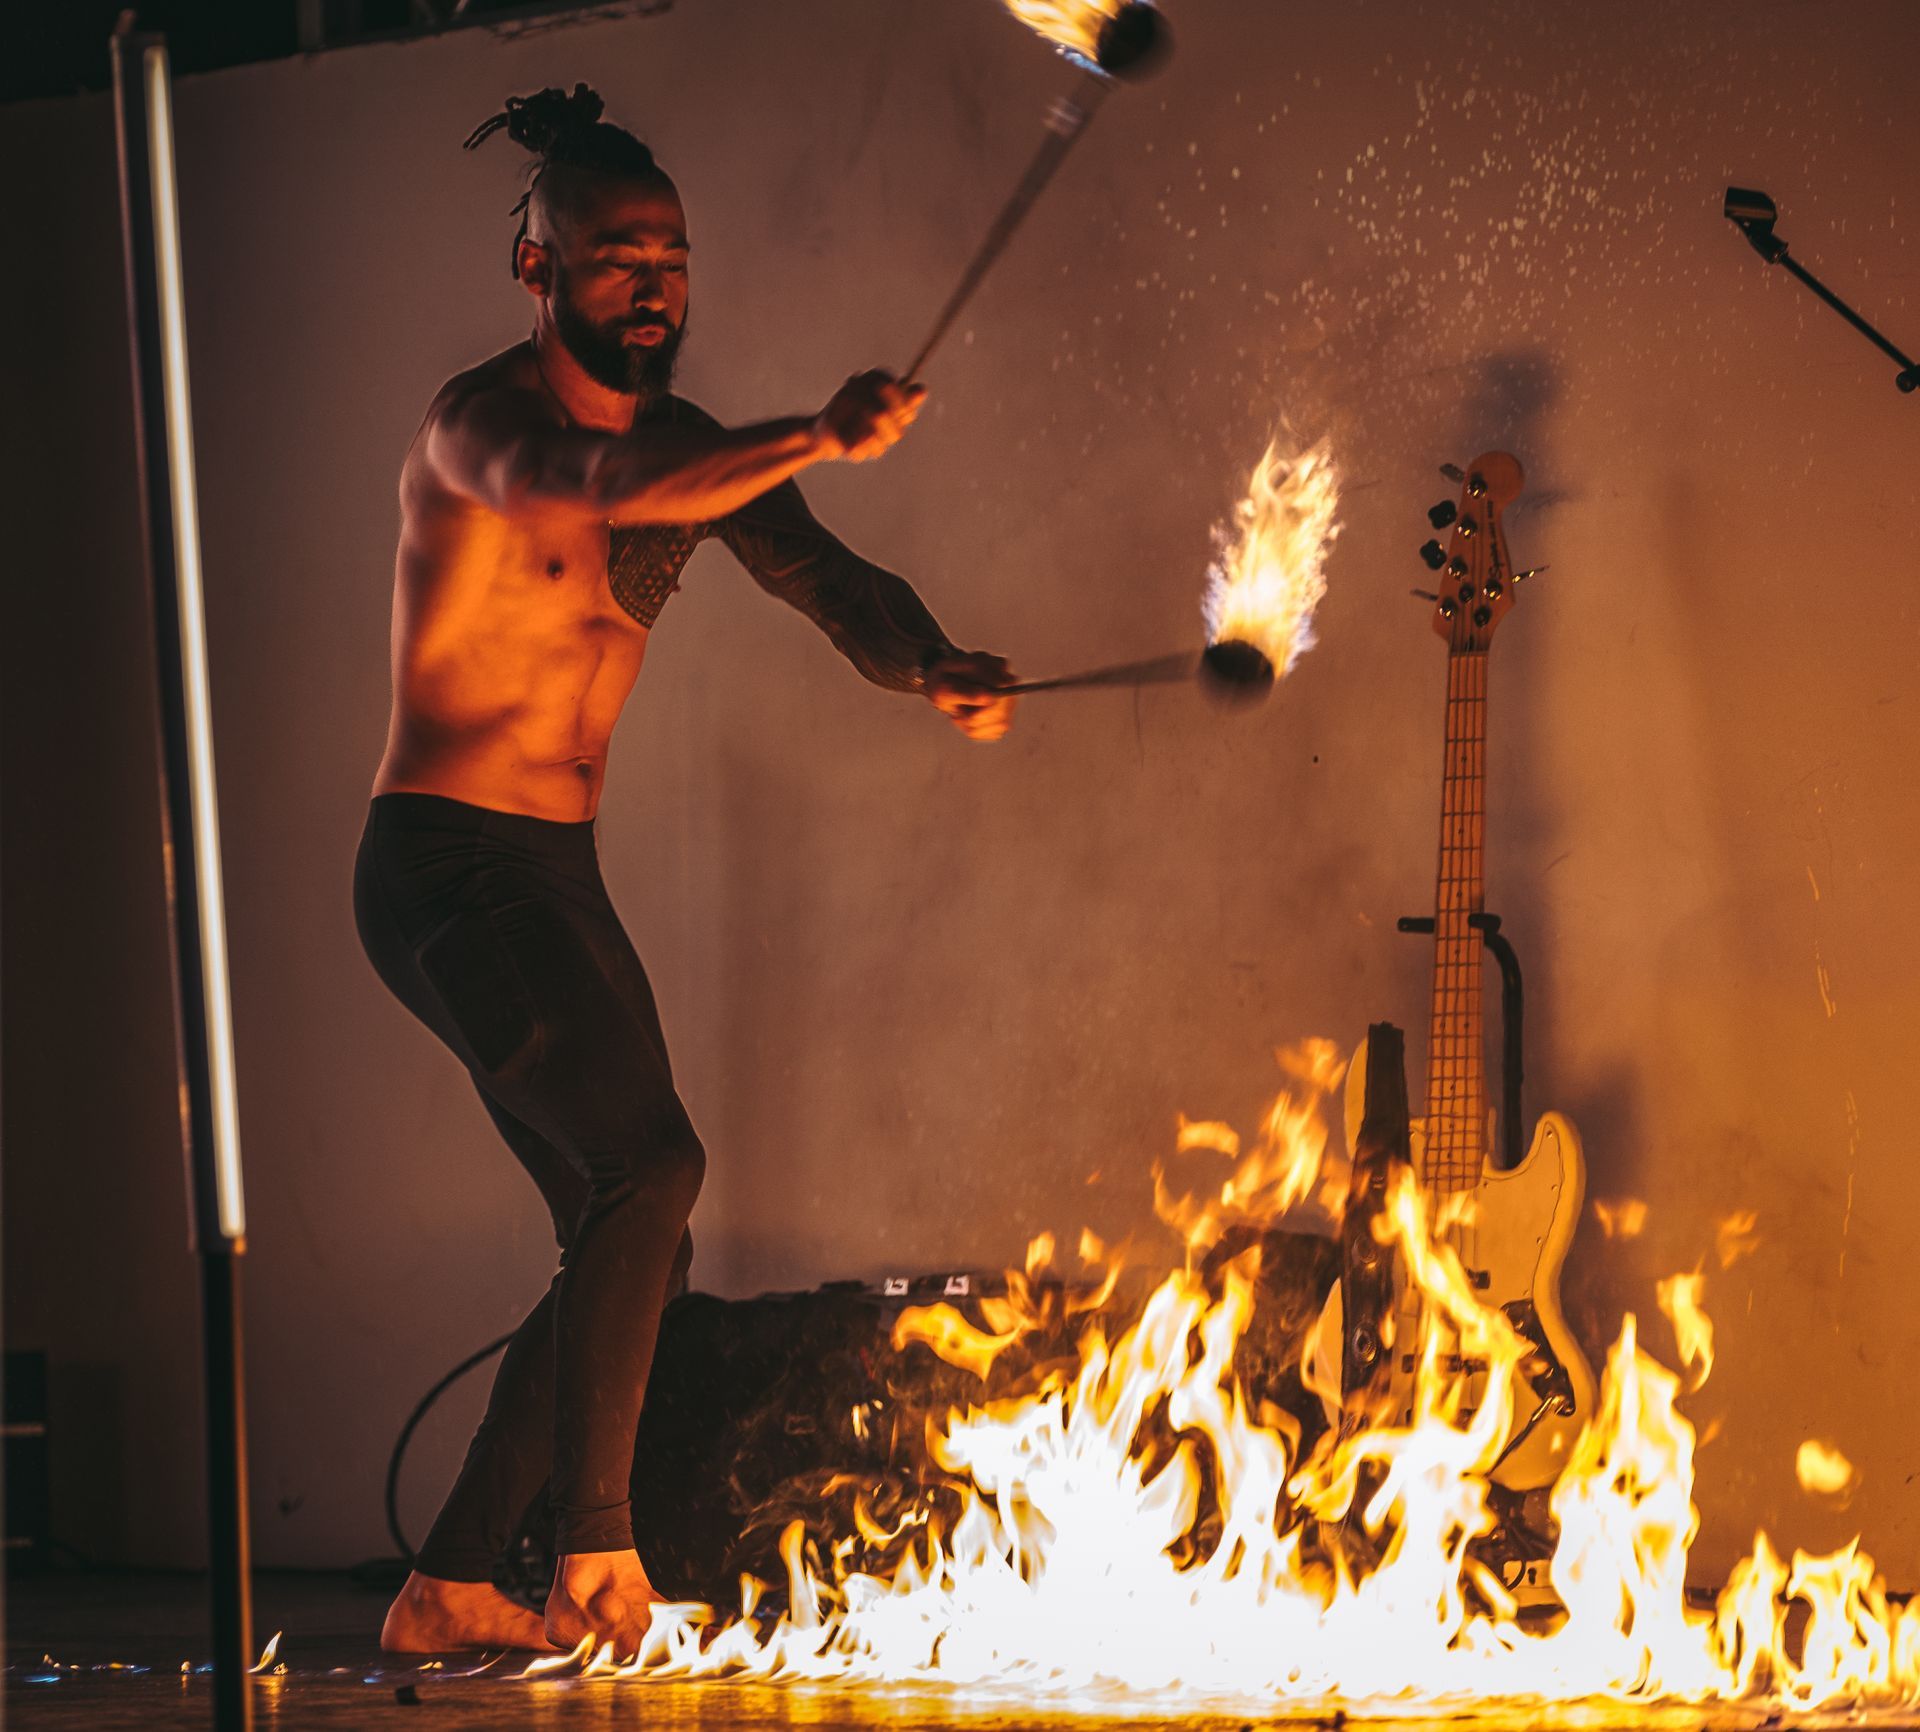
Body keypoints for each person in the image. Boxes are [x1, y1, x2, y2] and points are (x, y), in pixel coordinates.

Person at [354, 83, 1017, 1656]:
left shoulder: (692, 454)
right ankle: (595, 1559)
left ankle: (451, 1582)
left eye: (672, 255)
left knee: (635, 1216)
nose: (651, 282)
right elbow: (592, 497)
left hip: (553, 876)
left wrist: (931, 665)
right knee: (642, 1174)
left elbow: (824, 573)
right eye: (612, 256)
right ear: (540, 267)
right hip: (445, 872)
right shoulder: (485, 426)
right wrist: (811, 428)